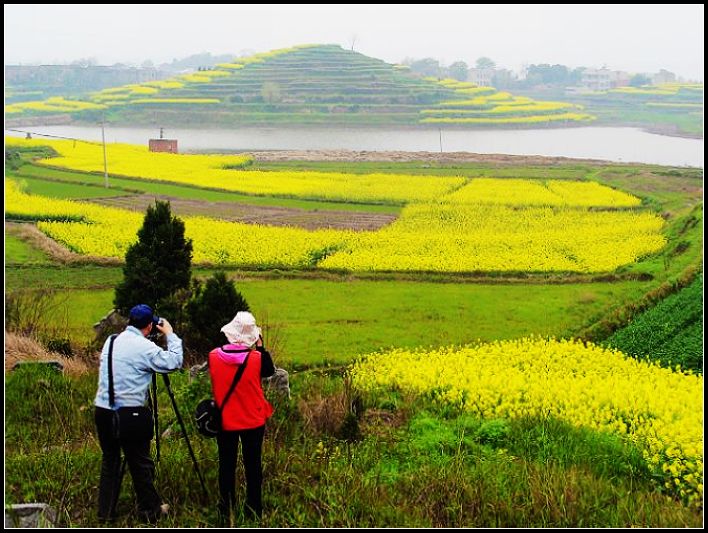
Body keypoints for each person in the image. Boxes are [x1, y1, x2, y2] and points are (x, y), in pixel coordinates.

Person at [94, 304, 183, 523]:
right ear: (150, 325)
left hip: (103, 410)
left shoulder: (111, 341)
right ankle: (150, 510)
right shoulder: (145, 348)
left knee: (110, 462)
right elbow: (174, 362)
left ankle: (105, 514)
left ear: (129, 322)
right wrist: (170, 334)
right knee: (140, 463)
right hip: (130, 414)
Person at [209, 311, 275, 521]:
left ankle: (225, 509)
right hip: (253, 420)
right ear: (253, 337)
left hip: (225, 420)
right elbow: (269, 371)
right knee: (253, 466)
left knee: (226, 465)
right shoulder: (257, 359)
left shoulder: (213, 356)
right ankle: (254, 510)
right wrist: (261, 346)